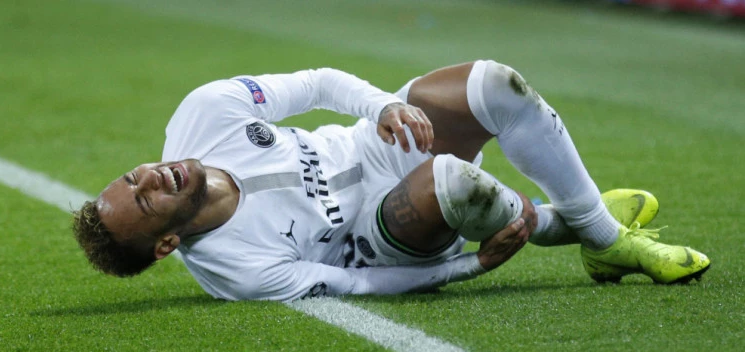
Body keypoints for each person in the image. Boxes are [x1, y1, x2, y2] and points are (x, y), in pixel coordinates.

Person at [73, 60, 710, 302]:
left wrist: (382, 107)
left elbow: (318, 83)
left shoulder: (203, 114)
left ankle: (588, 231)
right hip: (375, 233)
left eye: (133, 176)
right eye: (146, 199)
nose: (151, 176)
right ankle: (603, 235)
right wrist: (469, 267)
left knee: (496, 84)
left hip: (370, 144)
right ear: (166, 244)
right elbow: (355, 283)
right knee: (452, 182)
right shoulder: (238, 272)